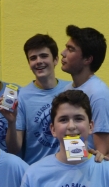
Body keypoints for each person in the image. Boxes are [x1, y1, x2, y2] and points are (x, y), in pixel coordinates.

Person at [62, 25, 109, 172]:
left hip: (97, 178)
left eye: (70, 49)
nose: (63, 53)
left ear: (87, 59)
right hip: (77, 172)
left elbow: (103, 156)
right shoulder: (67, 90)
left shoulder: (100, 96)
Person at [6, 33, 72, 164]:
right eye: (33, 58)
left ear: (55, 60)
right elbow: (13, 149)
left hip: (68, 168)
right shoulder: (21, 96)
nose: (38, 61)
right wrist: (11, 122)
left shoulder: (71, 90)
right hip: (35, 170)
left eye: (44, 56)